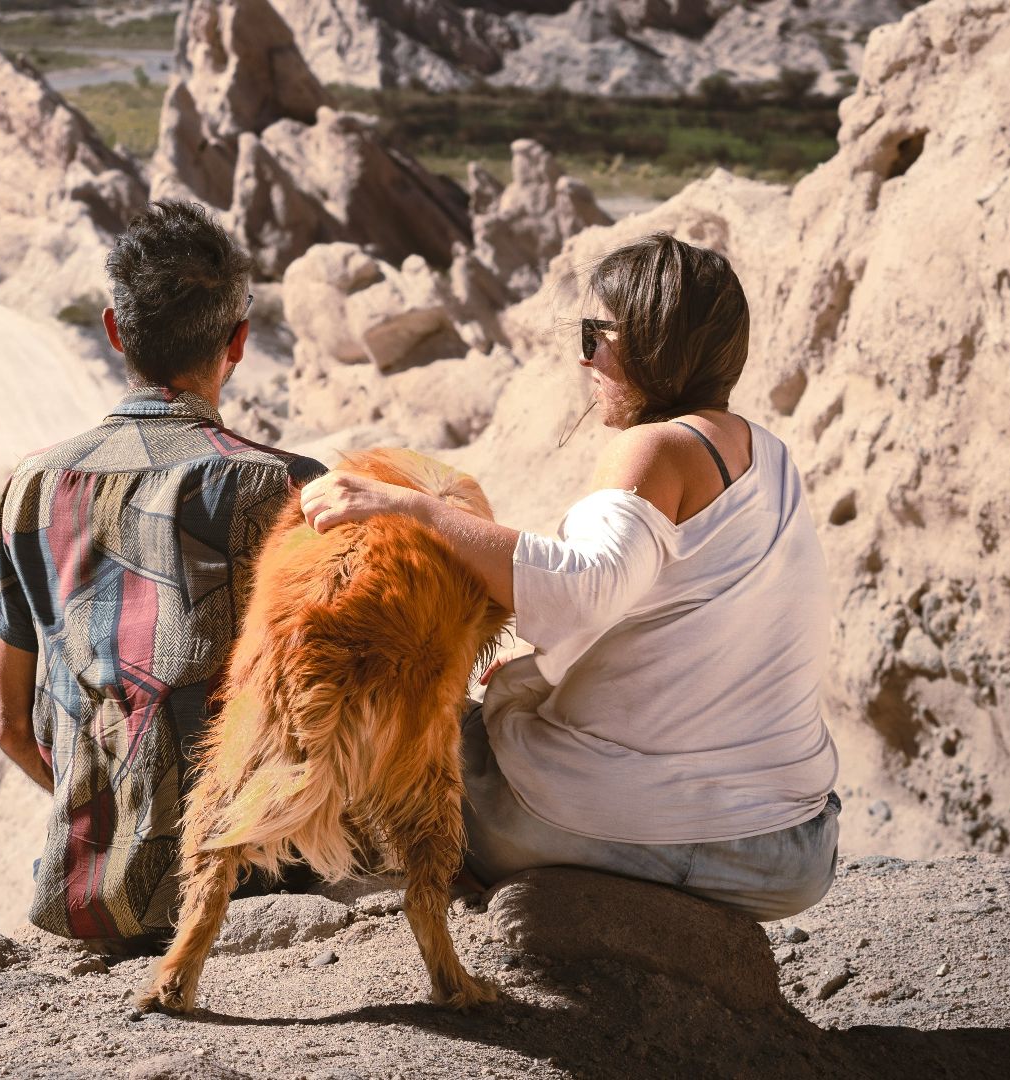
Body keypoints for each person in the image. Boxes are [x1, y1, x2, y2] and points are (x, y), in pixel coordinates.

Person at [299, 233, 840, 921]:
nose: (585, 358)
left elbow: (583, 590)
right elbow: (668, 627)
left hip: (615, 825)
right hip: (790, 849)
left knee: (395, 722)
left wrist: (412, 508)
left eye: (597, 335)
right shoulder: (770, 455)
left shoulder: (656, 447)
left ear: (651, 341)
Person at [0, 201, 325, 945]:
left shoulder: (31, 488)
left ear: (115, 331)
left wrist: (123, 817)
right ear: (237, 340)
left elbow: (11, 728)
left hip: (87, 904)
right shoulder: (293, 488)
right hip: (249, 890)